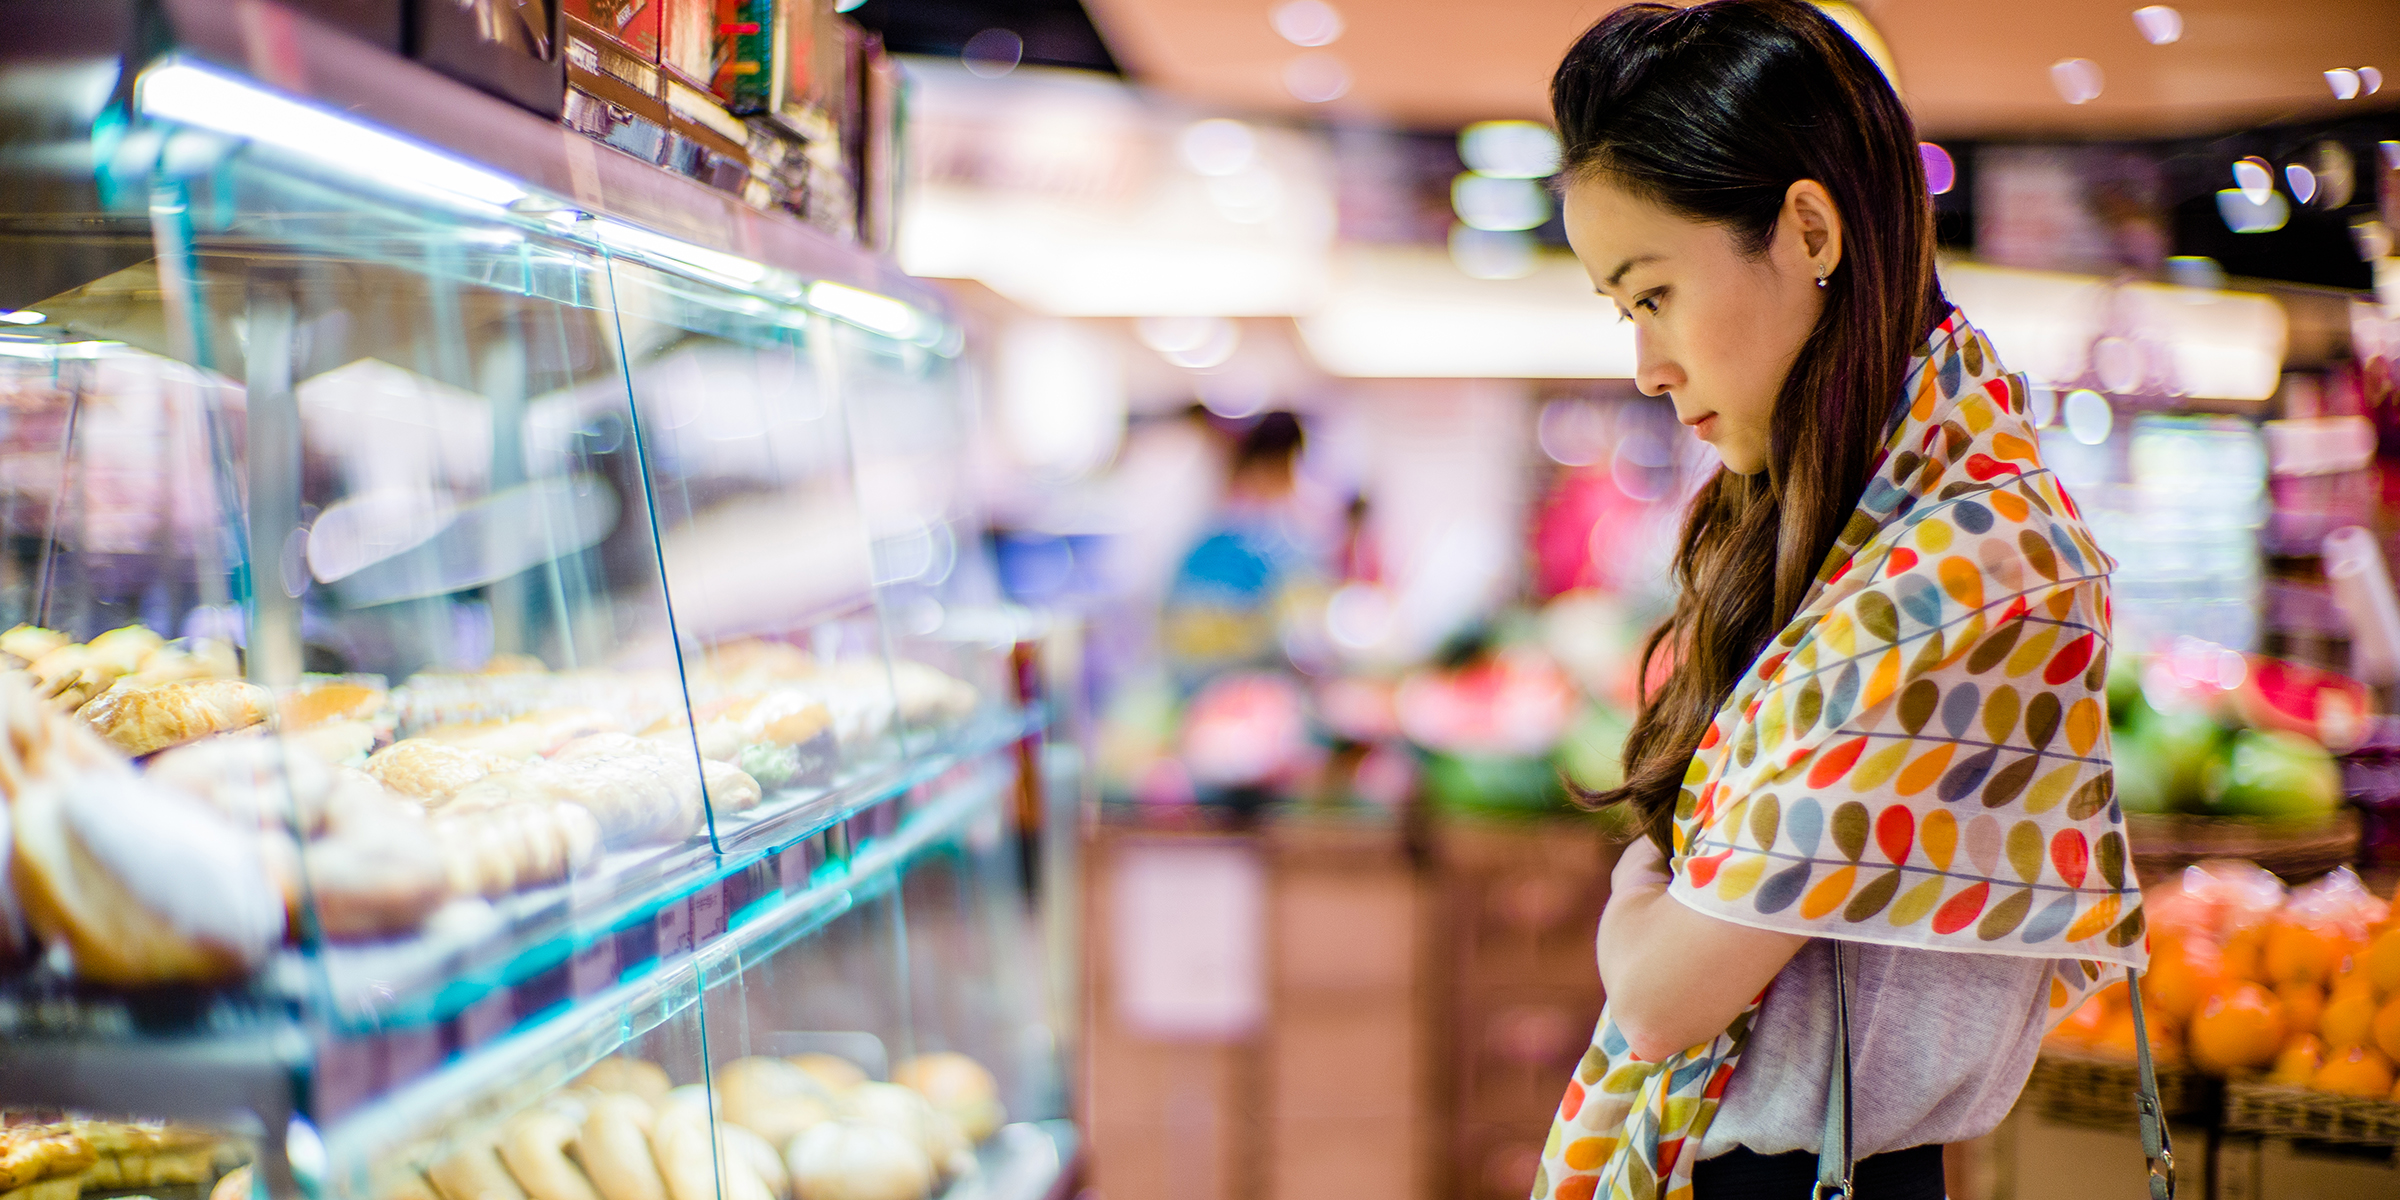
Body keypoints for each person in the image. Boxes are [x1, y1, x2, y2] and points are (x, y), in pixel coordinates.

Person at [1536, 4, 2148, 1199]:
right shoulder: (1858, 523)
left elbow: (1660, 997)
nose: (1646, 367)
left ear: (1808, 228)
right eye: (1627, 313)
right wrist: (1657, 905)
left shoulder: (1974, 563)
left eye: (1653, 294)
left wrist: (1639, 896)